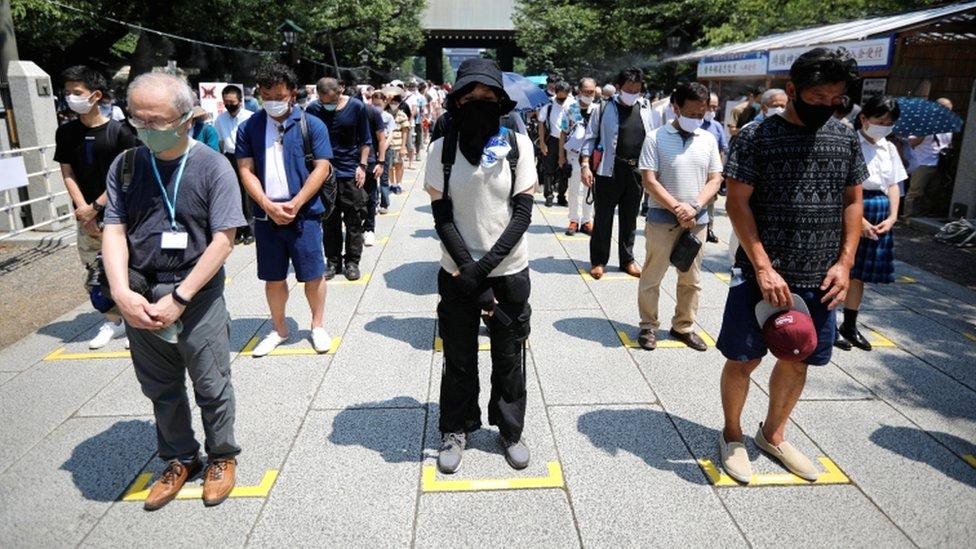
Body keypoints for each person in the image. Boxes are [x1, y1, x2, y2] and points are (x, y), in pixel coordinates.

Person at [716, 48, 866, 484]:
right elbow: (737, 202)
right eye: (816, 97)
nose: (825, 107)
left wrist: (844, 262)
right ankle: (732, 434)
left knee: (798, 359)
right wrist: (763, 267)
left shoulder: (844, 136)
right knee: (743, 358)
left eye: (834, 99)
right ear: (794, 90)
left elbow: (852, 200)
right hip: (761, 275)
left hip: (821, 276)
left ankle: (774, 433)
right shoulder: (755, 137)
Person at [101, 71, 248, 510]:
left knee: (211, 382)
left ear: (186, 119)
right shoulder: (126, 165)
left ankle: (221, 455)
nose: (145, 129)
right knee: (160, 387)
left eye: (157, 122)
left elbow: (224, 237)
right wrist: (121, 293)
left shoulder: (212, 165)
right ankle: (179, 456)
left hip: (196, 295)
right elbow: (113, 228)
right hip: (141, 293)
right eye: (137, 119)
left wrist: (180, 296)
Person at [425, 58, 536, 475]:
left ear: (500, 101)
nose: (479, 102)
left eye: (487, 96)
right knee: (458, 354)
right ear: (456, 101)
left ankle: (509, 429)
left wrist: (484, 267)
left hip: (509, 270)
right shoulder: (442, 149)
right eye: (470, 96)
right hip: (456, 269)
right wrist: (468, 269)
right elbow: (442, 216)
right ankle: (456, 427)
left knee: (509, 355)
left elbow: (522, 215)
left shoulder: (518, 146)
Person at [235, 62, 334, 357]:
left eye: (279, 94)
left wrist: (298, 200)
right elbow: (245, 170)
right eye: (267, 95)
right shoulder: (249, 127)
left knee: (313, 273)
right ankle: (279, 328)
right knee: (273, 276)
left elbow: (322, 166)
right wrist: (266, 204)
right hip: (267, 216)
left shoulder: (311, 124)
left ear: (292, 92)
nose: (273, 101)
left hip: (304, 213)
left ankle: (317, 325)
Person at [54, 65, 140, 350]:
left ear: (95, 95)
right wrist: (82, 209)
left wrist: (96, 206)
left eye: (76, 92)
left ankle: (133, 320)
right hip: (86, 217)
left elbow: (127, 175)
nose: (70, 98)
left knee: (129, 268)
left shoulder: (121, 132)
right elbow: (67, 172)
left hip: (120, 214)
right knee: (95, 273)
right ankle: (112, 320)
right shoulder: (65, 133)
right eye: (67, 93)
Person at [636, 82, 723, 352]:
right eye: (693, 113)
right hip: (663, 217)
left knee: (691, 279)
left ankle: (683, 325)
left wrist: (695, 206)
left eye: (703, 113)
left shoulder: (708, 139)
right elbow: (649, 181)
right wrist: (678, 208)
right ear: (676, 108)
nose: (699, 118)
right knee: (653, 275)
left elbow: (715, 179)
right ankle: (648, 325)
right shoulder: (655, 137)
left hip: (696, 220)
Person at [834, 95, 906, 352]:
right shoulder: (849, 143)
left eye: (889, 122)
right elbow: (841, 186)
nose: (884, 126)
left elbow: (894, 184)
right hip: (853, 207)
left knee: (860, 275)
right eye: (880, 120)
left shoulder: (889, 147)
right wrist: (858, 220)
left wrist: (893, 217)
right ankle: (829, 324)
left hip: (880, 211)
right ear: (864, 118)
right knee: (839, 267)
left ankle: (850, 324)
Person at [581, 68, 653, 280]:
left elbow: (652, 141)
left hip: (636, 170)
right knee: (603, 217)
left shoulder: (646, 109)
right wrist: (585, 164)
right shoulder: (602, 108)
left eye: (638, 90)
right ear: (619, 88)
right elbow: (590, 137)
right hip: (608, 170)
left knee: (630, 218)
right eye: (630, 89)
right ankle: (598, 261)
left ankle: (627, 260)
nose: (634, 93)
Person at [307, 77, 372, 281]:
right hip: (324, 173)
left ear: (341, 89)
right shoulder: (312, 110)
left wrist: (362, 166)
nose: (328, 104)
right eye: (323, 100)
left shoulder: (357, 107)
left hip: (350, 172)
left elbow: (365, 139)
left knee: (354, 220)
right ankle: (332, 261)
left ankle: (352, 262)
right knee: (329, 220)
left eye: (331, 99)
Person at [214, 85, 255, 244]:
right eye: (226, 102)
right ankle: (237, 231)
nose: (229, 105)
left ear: (240, 101)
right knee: (233, 194)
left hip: (247, 156)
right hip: (230, 157)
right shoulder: (221, 119)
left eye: (232, 102)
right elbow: (221, 142)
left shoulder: (250, 117)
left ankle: (250, 229)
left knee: (248, 194)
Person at [904, 97, 953, 217]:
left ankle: (922, 217)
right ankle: (908, 217)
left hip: (939, 164)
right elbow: (912, 143)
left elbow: (948, 144)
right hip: (922, 163)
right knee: (915, 192)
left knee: (931, 193)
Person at [561, 77, 598, 236]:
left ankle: (587, 221)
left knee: (589, 189)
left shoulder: (598, 109)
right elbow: (563, 133)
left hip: (592, 156)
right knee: (574, 188)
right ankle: (574, 220)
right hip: (573, 154)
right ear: (579, 91)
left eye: (592, 92)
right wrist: (561, 156)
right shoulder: (570, 109)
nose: (589, 95)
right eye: (586, 92)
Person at [537, 81, 573, 208]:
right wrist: (542, 143)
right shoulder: (548, 104)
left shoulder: (573, 104)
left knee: (565, 169)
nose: (562, 99)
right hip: (551, 140)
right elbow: (541, 123)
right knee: (548, 168)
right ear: (556, 93)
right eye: (560, 96)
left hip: (568, 141)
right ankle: (549, 195)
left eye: (565, 96)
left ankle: (562, 195)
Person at [701, 92, 729, 244]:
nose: (712, 110)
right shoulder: (694, 122)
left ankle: (708, 228)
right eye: (709, 107)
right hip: (695, 171)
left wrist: (720, 170)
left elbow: (723, 149)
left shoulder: (717, 126)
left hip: (711, 172)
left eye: (715, 107)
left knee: (710, 202)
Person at [362, 94, 389, 246]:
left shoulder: (371, 112)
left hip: (371, 160)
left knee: (371, 196)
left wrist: (381, 161)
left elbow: (381, 138)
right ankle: (357, 226)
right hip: (349, 162)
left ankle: (369, 229)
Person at [371, 91, 396, 214]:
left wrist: (383, 148)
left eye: (379, 104)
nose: (376, 107)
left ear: (384, 103)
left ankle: (384, 203)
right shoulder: (369, 115)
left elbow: (391, 134)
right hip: (373, 148)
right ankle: (374, 203)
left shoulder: (388, 117)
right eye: (374, 104)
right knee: (373, 177)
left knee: (384, 178)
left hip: (386, 149)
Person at [387, 91, 411, 194]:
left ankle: (399, 184)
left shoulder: (402, 115)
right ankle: (392, 184)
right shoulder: (385, 114)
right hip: (388, 145)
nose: (393, 104)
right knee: (389, 166)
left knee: (399, 165)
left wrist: (403, 147)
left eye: (395, 102)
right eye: (391, 102)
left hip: (398, 144)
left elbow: (405, 132)